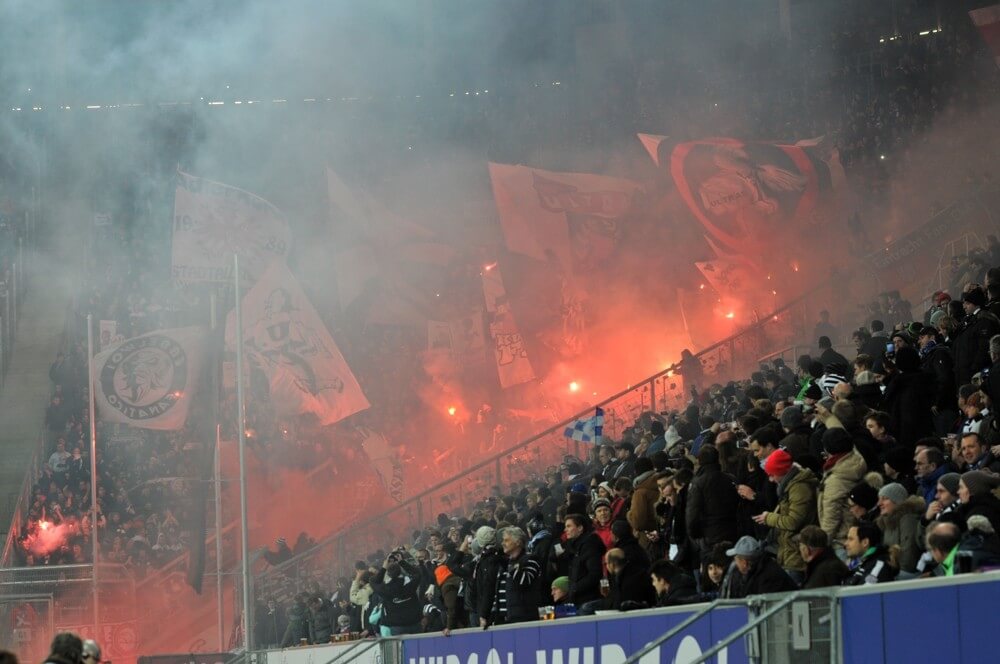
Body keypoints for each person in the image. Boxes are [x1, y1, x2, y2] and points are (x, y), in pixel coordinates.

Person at [753, 449, 818, 584]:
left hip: (798, 553)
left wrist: (768, 518)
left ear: (782, 471)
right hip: (791, 551)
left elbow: (793, 521)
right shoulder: (789, 486)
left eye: (772, 475)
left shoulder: (799, 488)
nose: (770, 479)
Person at [686, 445, 739, 563]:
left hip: (710, 537)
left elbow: (692, 514)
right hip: (733, 532)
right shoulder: (731, 479)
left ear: (699, 461)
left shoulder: (698, 484)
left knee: (712, 571)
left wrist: (697, 536)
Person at [817, 428, 867, 550]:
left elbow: (831, 516)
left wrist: (822, 546)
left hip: (839, 541)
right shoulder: (855, 460)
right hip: (852, 534)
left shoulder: (837, 479)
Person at [490, 526, 542, 625]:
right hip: (503, 619)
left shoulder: (530, 559)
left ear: (518, 542)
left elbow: (525, 581)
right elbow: (499, 591)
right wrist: (493, 614)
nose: (502, 543)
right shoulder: (507, 563)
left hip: (524, 618)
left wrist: (512, 567)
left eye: (506, 540)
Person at [369, 549, 422, 635]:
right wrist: (401, 562)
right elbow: (417, 574)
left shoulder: (385, 589)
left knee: (398, 648)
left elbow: (373, 581)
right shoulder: (410, 585)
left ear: (388, 574)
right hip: (415, 623)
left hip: (396, 626)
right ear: (400, 571)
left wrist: (384, 568)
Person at [875, 483, 925, 575]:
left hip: (905, 575)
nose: (879, 503)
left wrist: (894, 576)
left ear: (897, 501)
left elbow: (909, 557)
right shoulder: (887, 521)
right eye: (879, 499)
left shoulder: (908, 519)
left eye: (885, 499)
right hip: (893, 571)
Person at [725, 536, 797, 597]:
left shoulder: (769, 577)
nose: (735, 563)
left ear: (744, 562)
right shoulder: (757, 570)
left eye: (736, 559)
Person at [564, 513, 607, 605]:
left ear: (580, 528)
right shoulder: (575, 547)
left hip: (588, 601)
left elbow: (595, 573)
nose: (565, 530)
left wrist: (575, 588)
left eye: (569, 526)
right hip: (578, 600)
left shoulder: (589, 545)